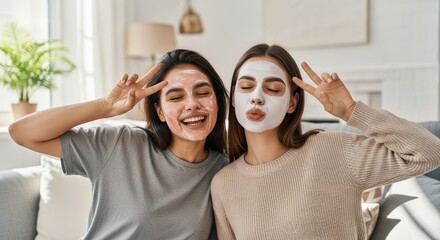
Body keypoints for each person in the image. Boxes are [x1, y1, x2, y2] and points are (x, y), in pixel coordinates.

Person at [210, 43, 440, 240]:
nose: (257, 97)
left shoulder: (334, 151)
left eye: (273, 88)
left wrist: (352, 111)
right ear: (233, 99)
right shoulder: (223, 184)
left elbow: (429, 153)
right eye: (246, 87)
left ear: (292, 103)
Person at [9, 49, 229, 239]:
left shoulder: (224, 172)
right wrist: (105, 106)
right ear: (159, 111)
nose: (192, 104)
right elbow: (22, 133)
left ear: (217, 102)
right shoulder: (122, 144)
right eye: (176, 97)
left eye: (202, 93)